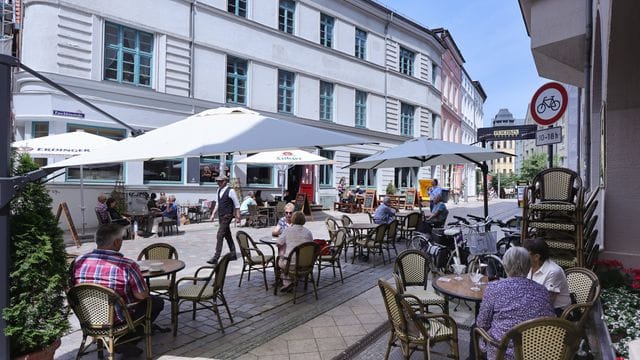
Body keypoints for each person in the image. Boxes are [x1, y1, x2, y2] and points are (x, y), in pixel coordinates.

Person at [72, 224, 165, 356]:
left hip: (88, 317)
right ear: (116, 242)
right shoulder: (126, 265)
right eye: (122, 238)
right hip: (114, 321)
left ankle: (122, 342)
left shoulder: (78, 261)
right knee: (155, 302)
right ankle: (124, 340)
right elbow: (142, 296)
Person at [474, 246, 555, 360]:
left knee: (476, 329)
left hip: (503, 353)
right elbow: (550, 319)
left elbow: (482, 323)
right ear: (528, 266)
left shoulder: (494, 288)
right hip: (538, 352)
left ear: (505, 265)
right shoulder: (542, 290)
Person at [524, 237, 572, 316]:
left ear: (536, 257)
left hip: (557, 312)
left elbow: (547, 302)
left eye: (526, 254)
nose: (523, 256)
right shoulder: (529, 267)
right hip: (534, 306)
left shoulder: (553, 271)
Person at [275, 211, 314, 291]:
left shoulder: (287, 230)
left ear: (293, 219)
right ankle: (292, 281)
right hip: (306, 264)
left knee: (280, 260)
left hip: (290, 264)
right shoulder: (308, 232)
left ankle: (287, 283)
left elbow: (278, 243)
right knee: (291, 260)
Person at [207, 175, 240, 265]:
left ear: (225, 181)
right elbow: (218, 203)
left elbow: (237, 205)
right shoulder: (218, 190)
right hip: (221, 216)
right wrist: (213, 214)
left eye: (220, 181)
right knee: (227, 235)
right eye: (217, 181)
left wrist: (238, 217)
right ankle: (233, 254)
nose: (218, 183)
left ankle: (216, 257)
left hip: (228, 215)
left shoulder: (231, 191)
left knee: (220, 234)